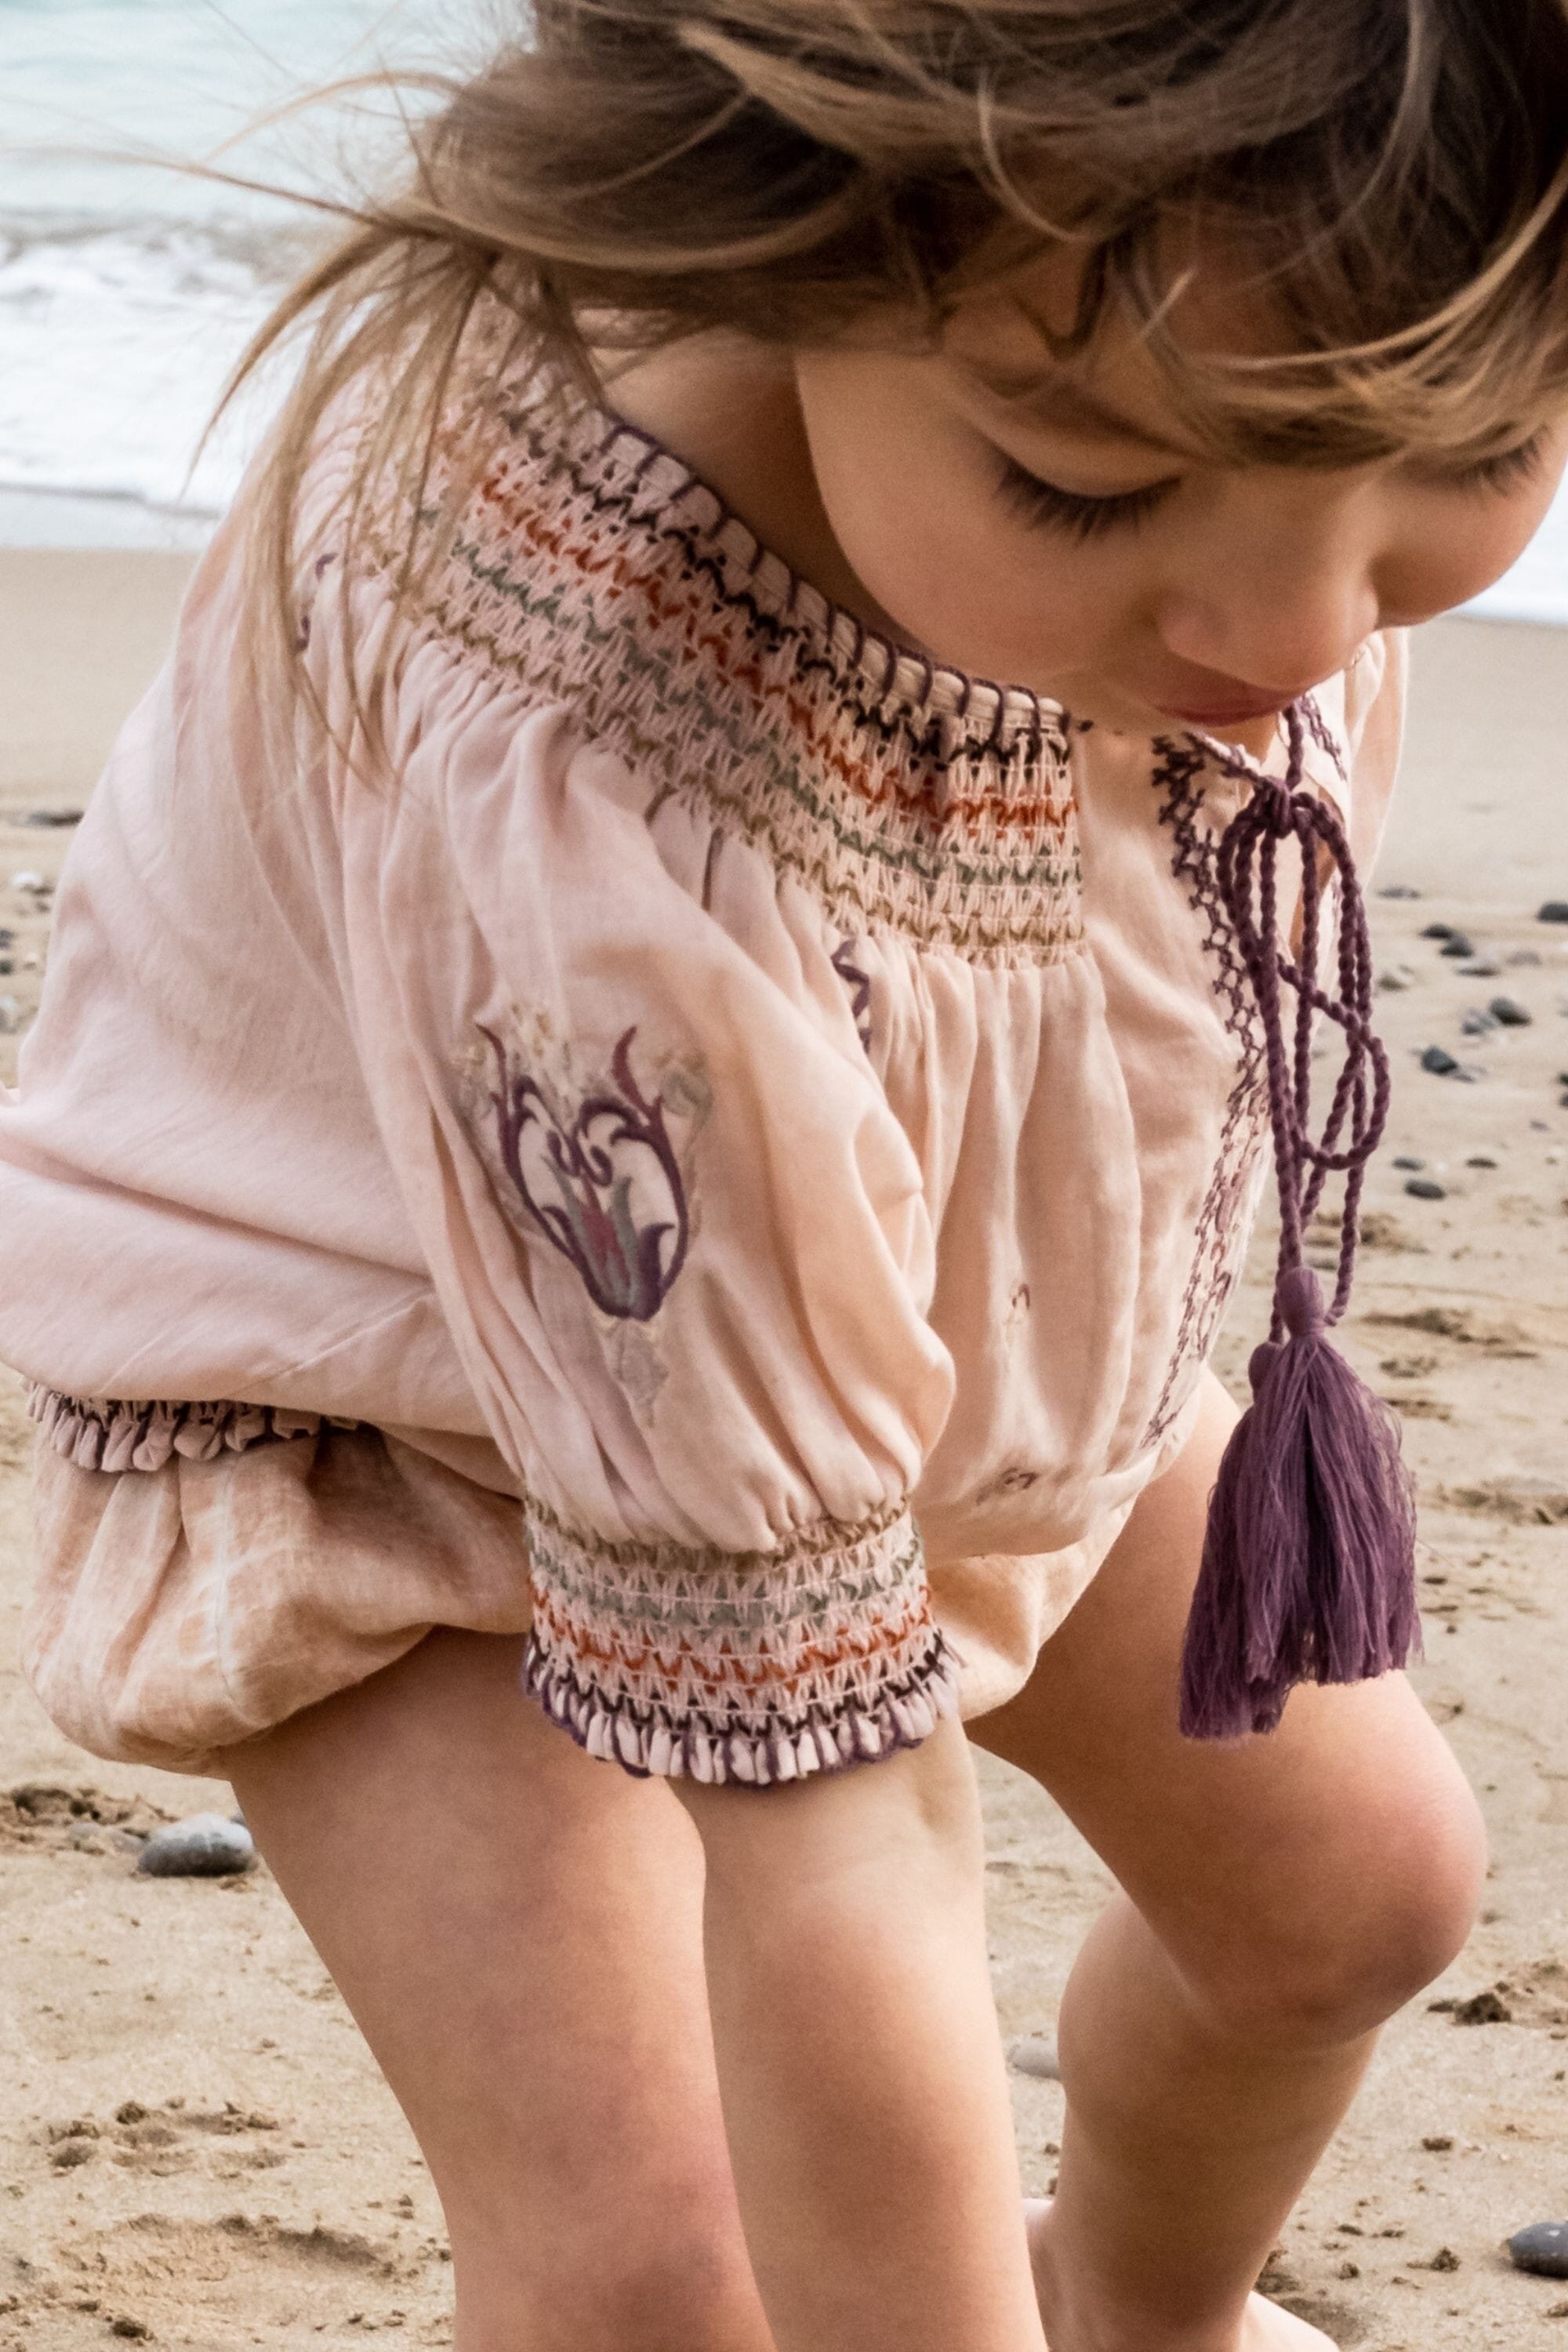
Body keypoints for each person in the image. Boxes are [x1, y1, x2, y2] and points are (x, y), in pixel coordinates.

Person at [5, 2, 1566, 2345]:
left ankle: (1144, 2312)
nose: (1295, 632)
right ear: (781, 241)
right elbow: (837, 1829)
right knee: (654, 2270)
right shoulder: (600, 785)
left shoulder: (1242, 392)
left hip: (934, 1303)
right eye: (1089, 487)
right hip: (422, 1398)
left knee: (1358, 1896)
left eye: (1475, 444)